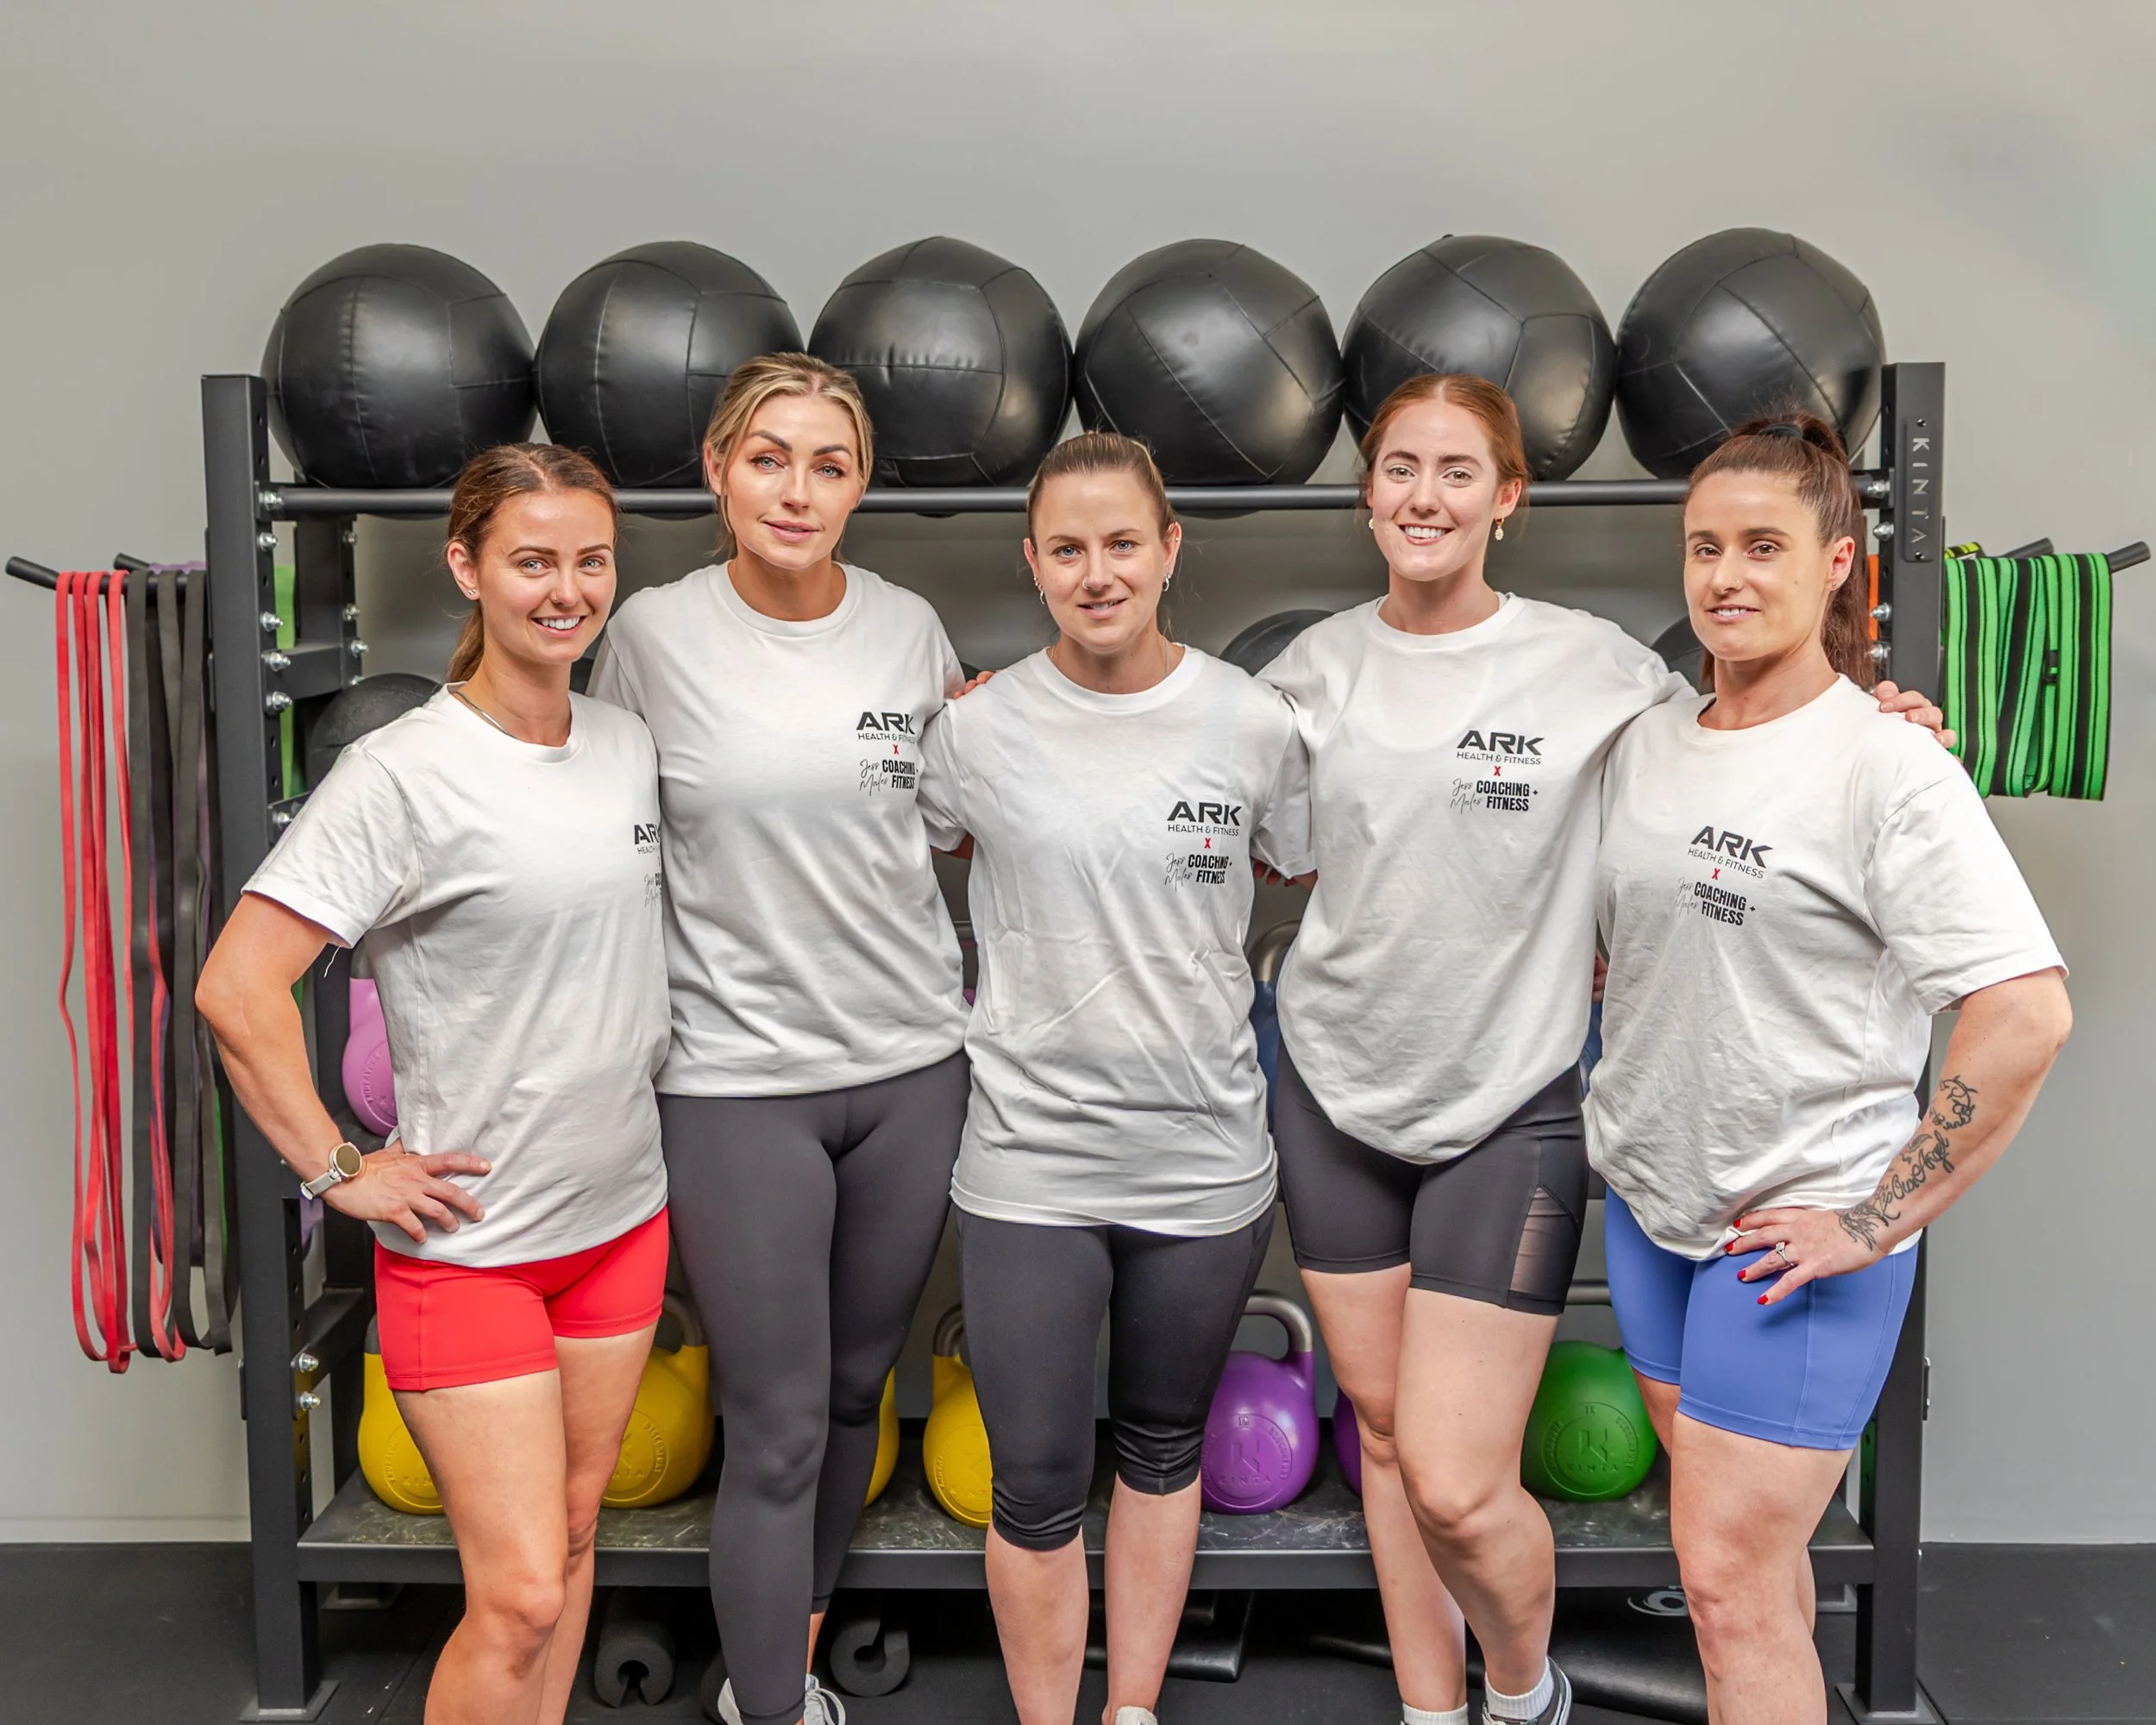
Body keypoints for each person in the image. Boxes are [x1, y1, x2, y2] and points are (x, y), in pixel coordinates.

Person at [1255, 375, 1950, 1725]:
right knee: (1386, 1440)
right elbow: (1213, 800)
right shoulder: (1308, 671)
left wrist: (1881, 716)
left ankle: (1520, 1688)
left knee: (1458, 1474)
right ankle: (1427, 1707)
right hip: (1332, 1085)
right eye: (1400, 468)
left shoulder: (1599, 670)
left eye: (1460, 470)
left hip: (1509, 1103)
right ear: (1366, 491)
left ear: (1508, 497)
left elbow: (1746, 732)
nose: (1425, 496)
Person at [1588, 415, 2070, 1725]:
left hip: (1791, 1235)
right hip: (1654, 1210)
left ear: (1839, 565)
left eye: (1763, 546)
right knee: (1746, 1577)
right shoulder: (1649, 742)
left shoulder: (1887, 764)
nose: (1726, 575)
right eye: (1704, 547)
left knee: (1727, 1583)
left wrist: (1875, 1219)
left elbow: (2022, 1014)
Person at [197, 446, 670, 1725]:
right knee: (513, 1594)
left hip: (622, 1223)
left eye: (589, 560)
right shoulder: (400, 774)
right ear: (468, 568)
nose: (565, 590)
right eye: (531, 561)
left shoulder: (625, 743)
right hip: (471, 1252)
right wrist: (339, 1169)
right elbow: (237, 990)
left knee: (572, 1551)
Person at [589, 354, 970, 1725]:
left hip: (915, 1067)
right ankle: (767, 1706)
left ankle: (780, 1678)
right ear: (717, 468)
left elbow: (949, 822)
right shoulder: (650, 636)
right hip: (740, 1083)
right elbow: (597, 839)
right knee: (779, 1424)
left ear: (860, 483)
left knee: (860, 1392)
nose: (797, 490)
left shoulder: (908, 628)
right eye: (770, 458)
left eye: (828, 463)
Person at [913, 431, 1309, 1725]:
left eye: (1122, 544)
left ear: (1168, 550)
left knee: (1158, 1452)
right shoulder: (974, 731)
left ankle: (1131, 1710)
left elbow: (1315, 872)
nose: (1098, 574)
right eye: (1069, 550)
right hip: (1029, 1162)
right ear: (1034, 564)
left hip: (1201, 1160)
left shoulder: (1252, 727)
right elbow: (892, 854)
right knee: (1032, 1482)